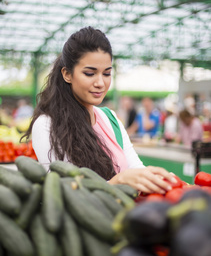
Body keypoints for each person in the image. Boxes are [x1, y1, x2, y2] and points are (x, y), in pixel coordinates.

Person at [23, 26, 176, 194]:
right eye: (90, 73)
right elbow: (62, 193)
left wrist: (157, 180)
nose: (100, 83)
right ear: (67, 74)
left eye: (107, 73)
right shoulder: (47, 125)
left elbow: (135, 168)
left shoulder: (111, 119)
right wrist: (117, 181)